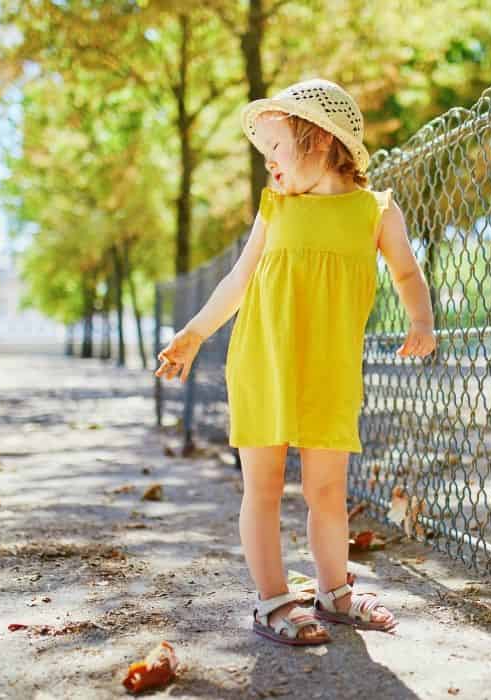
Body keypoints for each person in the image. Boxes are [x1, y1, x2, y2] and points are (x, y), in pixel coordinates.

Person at [155, 77, 436, 646]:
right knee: (262, 487)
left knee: (327, 491)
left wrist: (421, 321)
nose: (270, 166)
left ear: (319, 140)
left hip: (330, 371)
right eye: (265, 157)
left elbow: (407, 272)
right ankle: (273, 600)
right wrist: (194, 333)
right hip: (263, 362)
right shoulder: (275, 208)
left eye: (277, 150)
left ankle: (334, 593)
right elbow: (238, 280)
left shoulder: (375, 211)